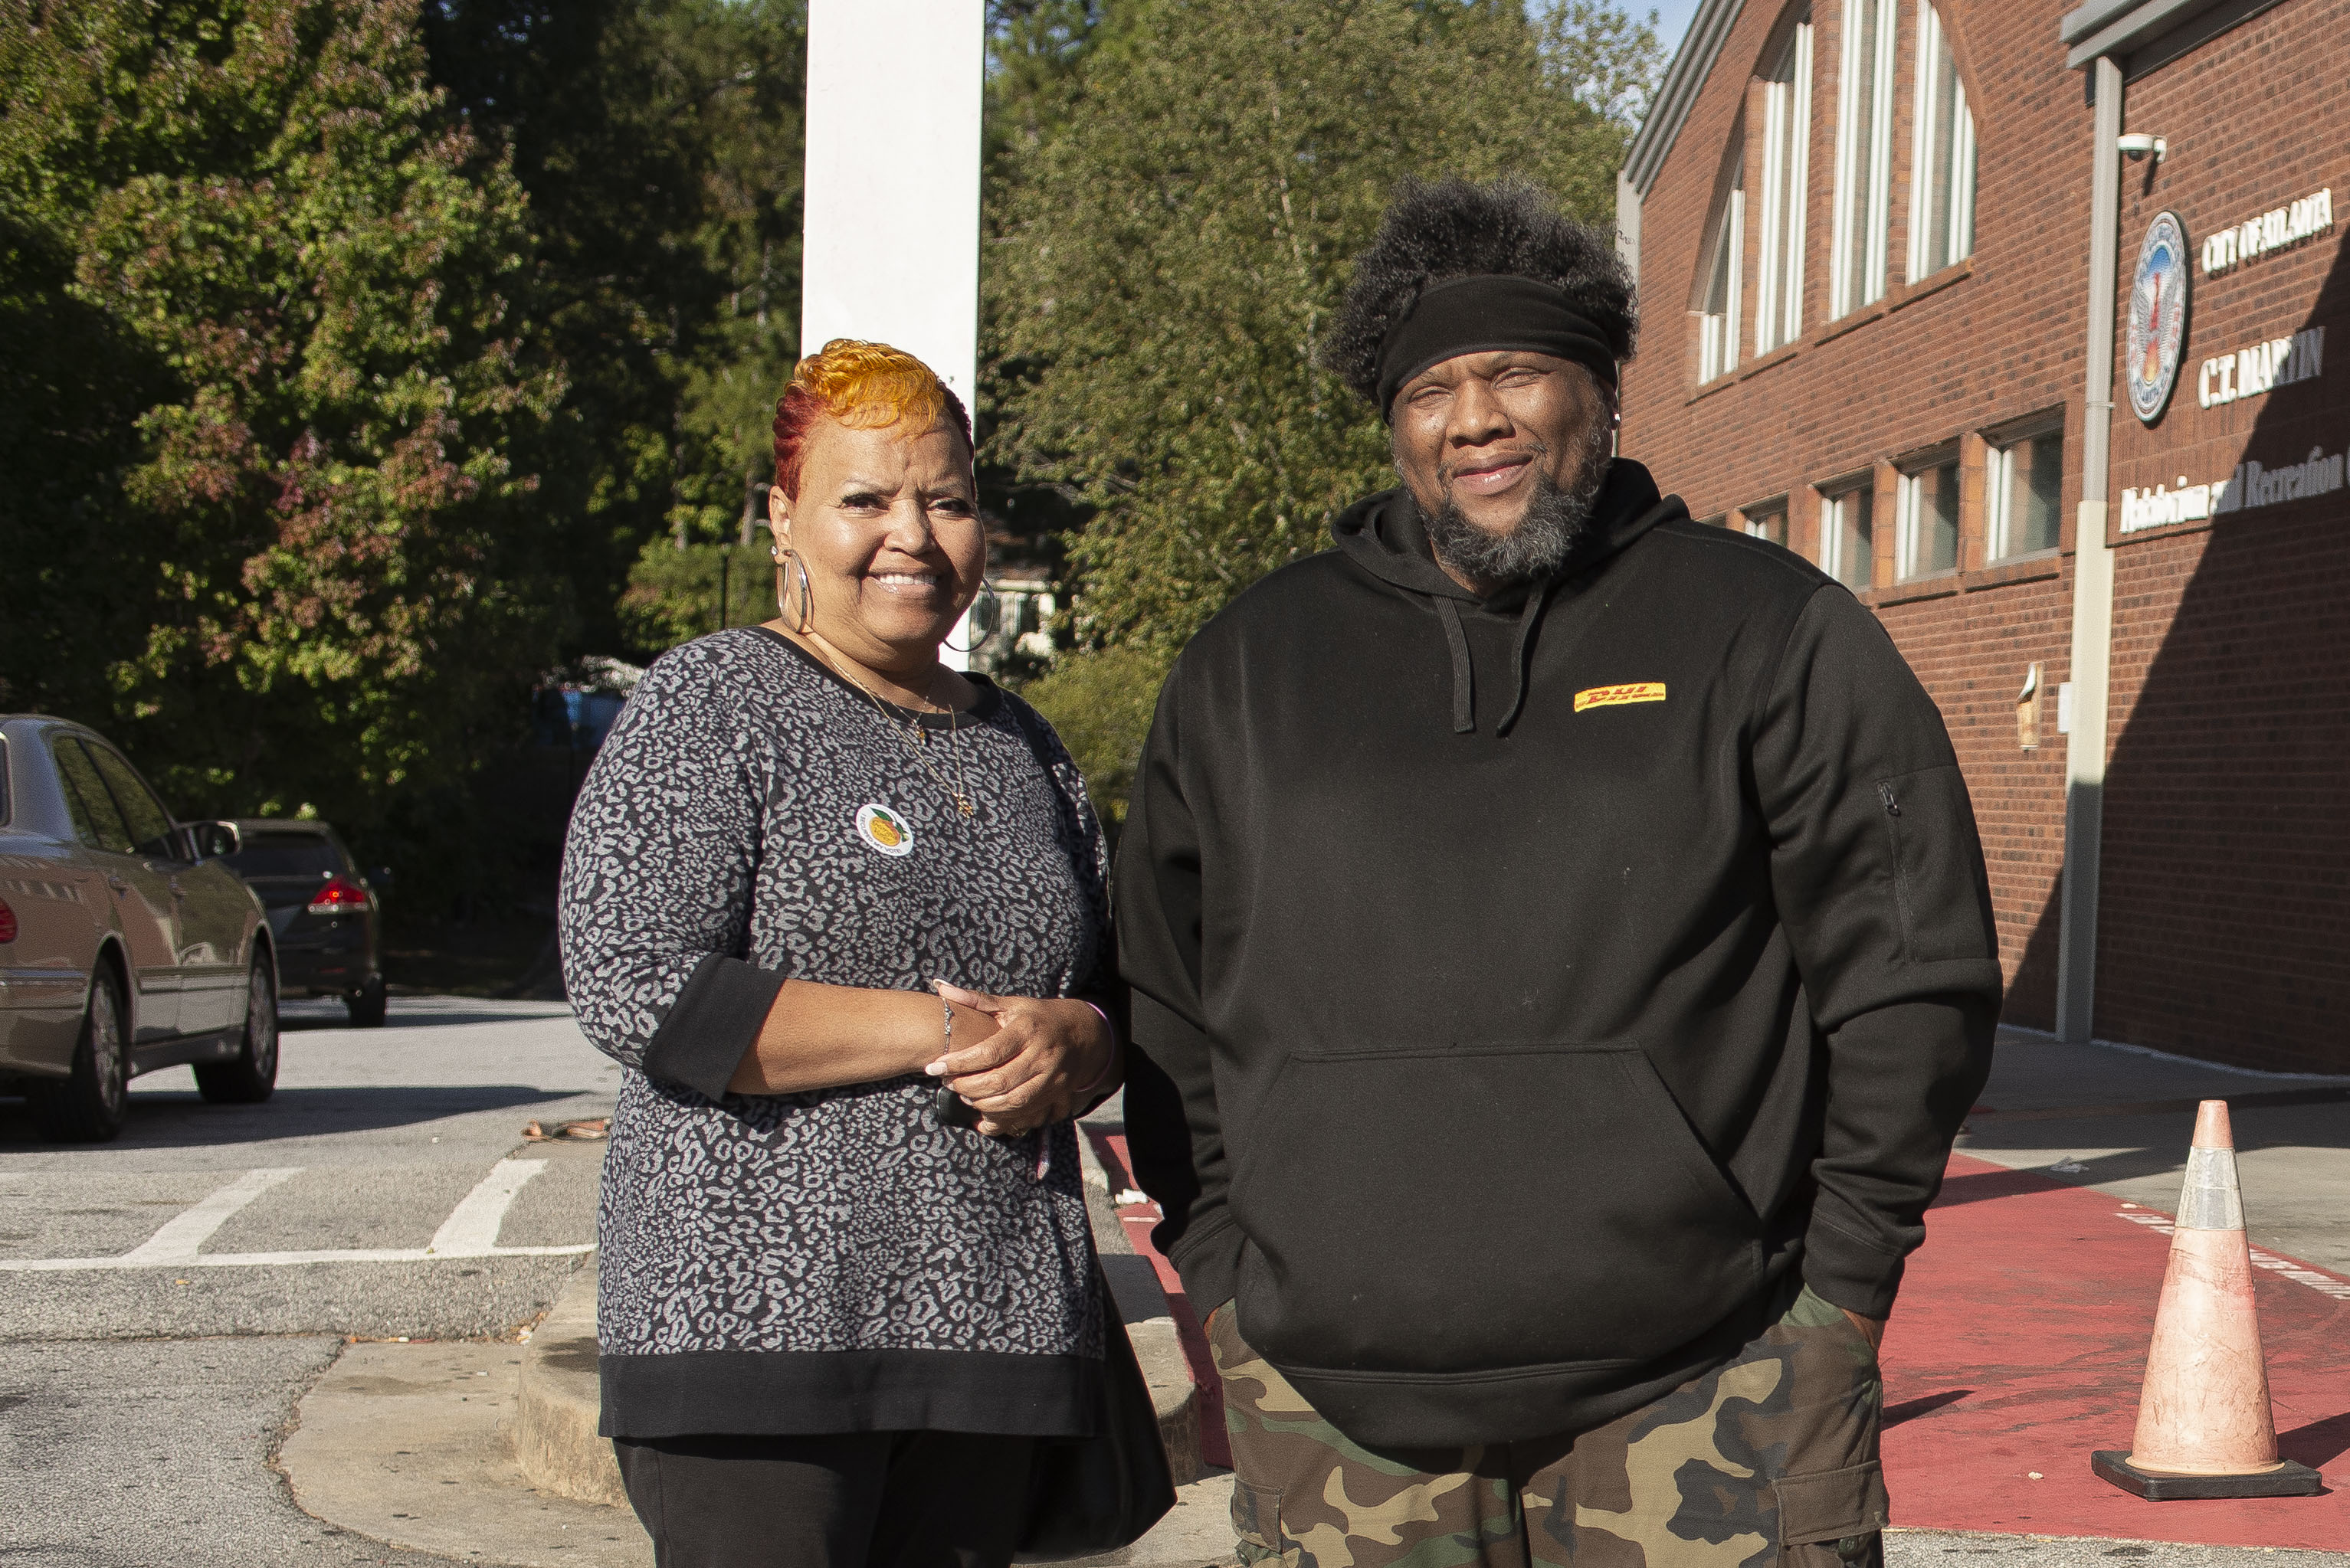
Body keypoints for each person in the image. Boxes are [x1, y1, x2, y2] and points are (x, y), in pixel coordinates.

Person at [1115, 178, 2002, 1568]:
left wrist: (1840, 1291)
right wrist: (1225, 1277)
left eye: (1516, 373)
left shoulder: (1769, 631)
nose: (1474, 419)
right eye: (1431, 390)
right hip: (1337, 1407)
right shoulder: (1249, 668)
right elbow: (1164, 999)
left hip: (1715, 1384)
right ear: (1395, 423)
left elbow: (1911, 977)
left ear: (1600, 394)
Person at [559, 339, 1123, 1568]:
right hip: (751, 1337)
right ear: (784, 519)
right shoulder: (712, 702)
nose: (911, 535)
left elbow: (1104, 997)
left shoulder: (1028, 750)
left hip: (993, 1328)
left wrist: (1078, 1042)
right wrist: (943, 1033)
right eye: (865, 499)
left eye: (947, 499)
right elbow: (634, 980)